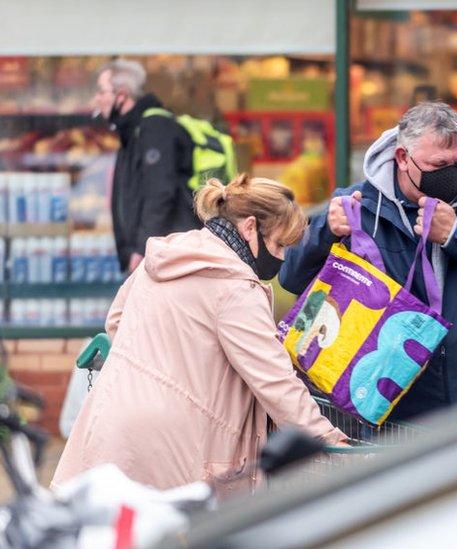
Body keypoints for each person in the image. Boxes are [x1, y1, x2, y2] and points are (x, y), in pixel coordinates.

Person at [52, 174, 347, 494]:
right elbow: (275, 381)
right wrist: (329, 440)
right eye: (278, 244)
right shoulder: (236, 290)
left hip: (112, 425)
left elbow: (117, 321)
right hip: (175, 446)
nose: (280, 257)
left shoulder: (167, 254)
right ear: (250, 228)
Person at [279, 102, 457, 419]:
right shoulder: (360, 204)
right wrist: (325, 231)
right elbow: (291, 277)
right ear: (403, 158)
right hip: (389, 403)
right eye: (438, 166)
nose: (453, 174)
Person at [93, 59, 198, 274]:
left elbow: (160, 193)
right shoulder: (132, 131)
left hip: (164, 260)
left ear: (121, 94)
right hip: (153, 257)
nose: (97, 98)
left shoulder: (154, 129)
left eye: (102, 91)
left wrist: (141, 250)